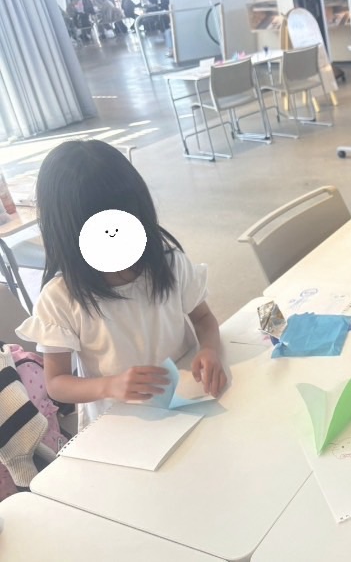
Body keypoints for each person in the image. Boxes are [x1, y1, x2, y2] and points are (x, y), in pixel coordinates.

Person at [16, 141, 227, 432]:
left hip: (187, 401)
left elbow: (203, 318)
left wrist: (210, 349)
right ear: (68, 233)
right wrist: (110, 385)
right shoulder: (60, 298)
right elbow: (56, 383)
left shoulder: (169, 265)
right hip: (119, 422)